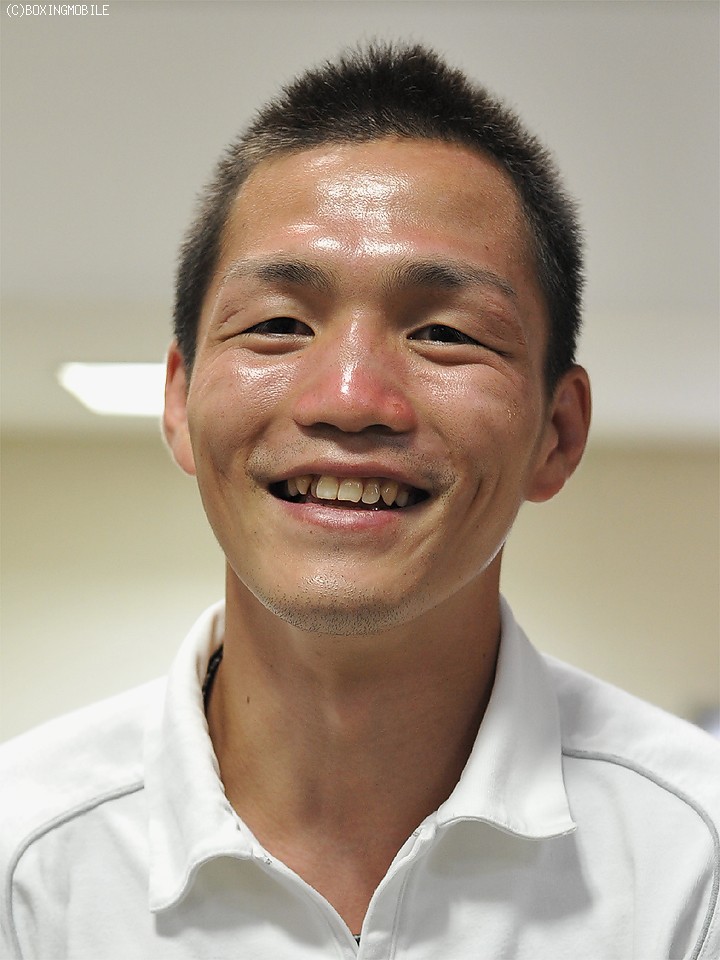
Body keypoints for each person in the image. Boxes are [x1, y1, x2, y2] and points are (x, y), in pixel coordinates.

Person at [1, 43, 718, 960]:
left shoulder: (694, 864)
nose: (348, 397)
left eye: (445, 334)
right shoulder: (25, 864)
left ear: (558, 432)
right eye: (278, 325)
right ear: (178, 402)